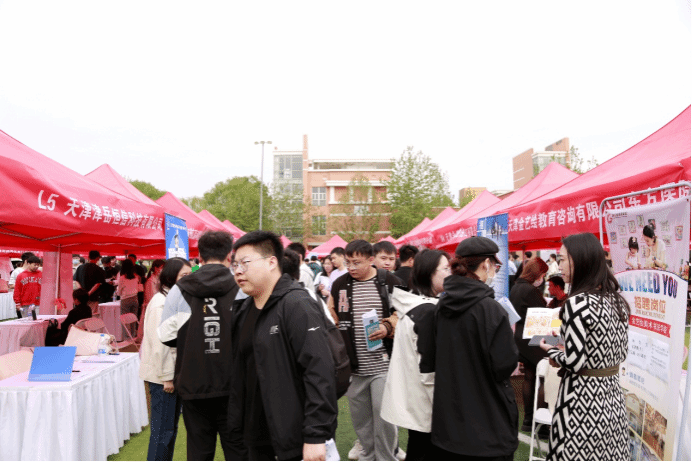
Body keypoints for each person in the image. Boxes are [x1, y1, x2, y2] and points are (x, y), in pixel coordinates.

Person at [229, 230, 338, 461]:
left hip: (294, 437)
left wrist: (315, 435)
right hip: (255, 436)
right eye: (235, 264)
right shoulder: (244, 309)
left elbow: (319, 371)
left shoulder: (297, 304)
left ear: (271, 262)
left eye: (245, 263)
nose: (238, 271)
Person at [539, 233, 629, 460]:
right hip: (613, 401)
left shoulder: (576, 303)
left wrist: (550, 349)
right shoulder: (617, 300)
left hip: (581, 404)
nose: (558, 266)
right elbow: (619, 352)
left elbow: (574, 361)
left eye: (562, 259)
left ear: (579, 260)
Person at [427, 236, 519, 460]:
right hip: (488, 424)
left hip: (449, 424)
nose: (495, 271)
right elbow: (504, 365)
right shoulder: (491, 310)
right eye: (495, 266)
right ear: (486, 264)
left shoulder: (441, 306)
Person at [158, 230, 245, 461]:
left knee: (199, 450)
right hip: (234, 382)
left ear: (200, 257)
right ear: (230, 256)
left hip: (193, 380)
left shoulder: (180, 288)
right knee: (237, 448)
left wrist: (193, 340)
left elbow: (165, 335)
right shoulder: (242, 285)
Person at [326, 240, 400, 461]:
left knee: (384, 416)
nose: (351, 267)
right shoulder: (340, 284)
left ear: (371, 260)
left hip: (383, 363)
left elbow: (404, 313)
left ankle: (386, 457)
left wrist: (387, 327)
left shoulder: (389, 281)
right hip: (353, 365)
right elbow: (331, 316)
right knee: (361, 420)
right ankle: (368, 455)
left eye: (356, 262)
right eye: (348, 262)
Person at [382, 249, 450, 460]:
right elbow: (428, 369)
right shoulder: (427, 311)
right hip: (425, 406)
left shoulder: (415, 305)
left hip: (416, 403)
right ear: (429, 273)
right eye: (445, 269)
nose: (450, 273)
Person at [140, 258, 192, 461]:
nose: (189, 279)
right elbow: (160, 344)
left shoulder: (173, 299)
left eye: (190, 275)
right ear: (171, 278)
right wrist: (167, 377)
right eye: (184, 276)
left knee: (169, 430)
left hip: (171, 374)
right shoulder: (161, 303)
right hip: (162, 378)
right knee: (163, 432)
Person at [509, 257, 549, 433]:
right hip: (534, 336)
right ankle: (540, 422)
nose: (543, 278)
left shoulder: (516, 286)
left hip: (520, 335)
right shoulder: (531, 290)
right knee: (543, 376)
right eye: (543, 274)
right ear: (537, 274)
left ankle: (528, 419)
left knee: (529, 376)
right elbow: (544, 316)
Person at [140, 259, 165, 340]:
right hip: (152, 309)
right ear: (156, 268)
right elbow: (150, 299)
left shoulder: (158, 280)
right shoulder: (150, 281)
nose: (163, 270)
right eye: (162, 267)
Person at [117, 259, 143, 337]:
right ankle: (133, 335)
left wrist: (119, 294)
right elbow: (139, 288)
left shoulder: (122, 278)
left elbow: (119, 291)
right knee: (133, 319)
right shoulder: (136, 277)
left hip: (125, 299)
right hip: (135, 299)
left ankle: (126, 337)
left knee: (125, 320)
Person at [83, 250, 106, 315]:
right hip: (93, 298)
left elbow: (76, 281)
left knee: (83, 316)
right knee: (92, 315)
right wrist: (88, 293)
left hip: (81, 297)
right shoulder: (99, 269)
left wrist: (83, 292)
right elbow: (98, 284)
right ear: (97, 258)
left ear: (88, 257)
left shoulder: (80, 268)